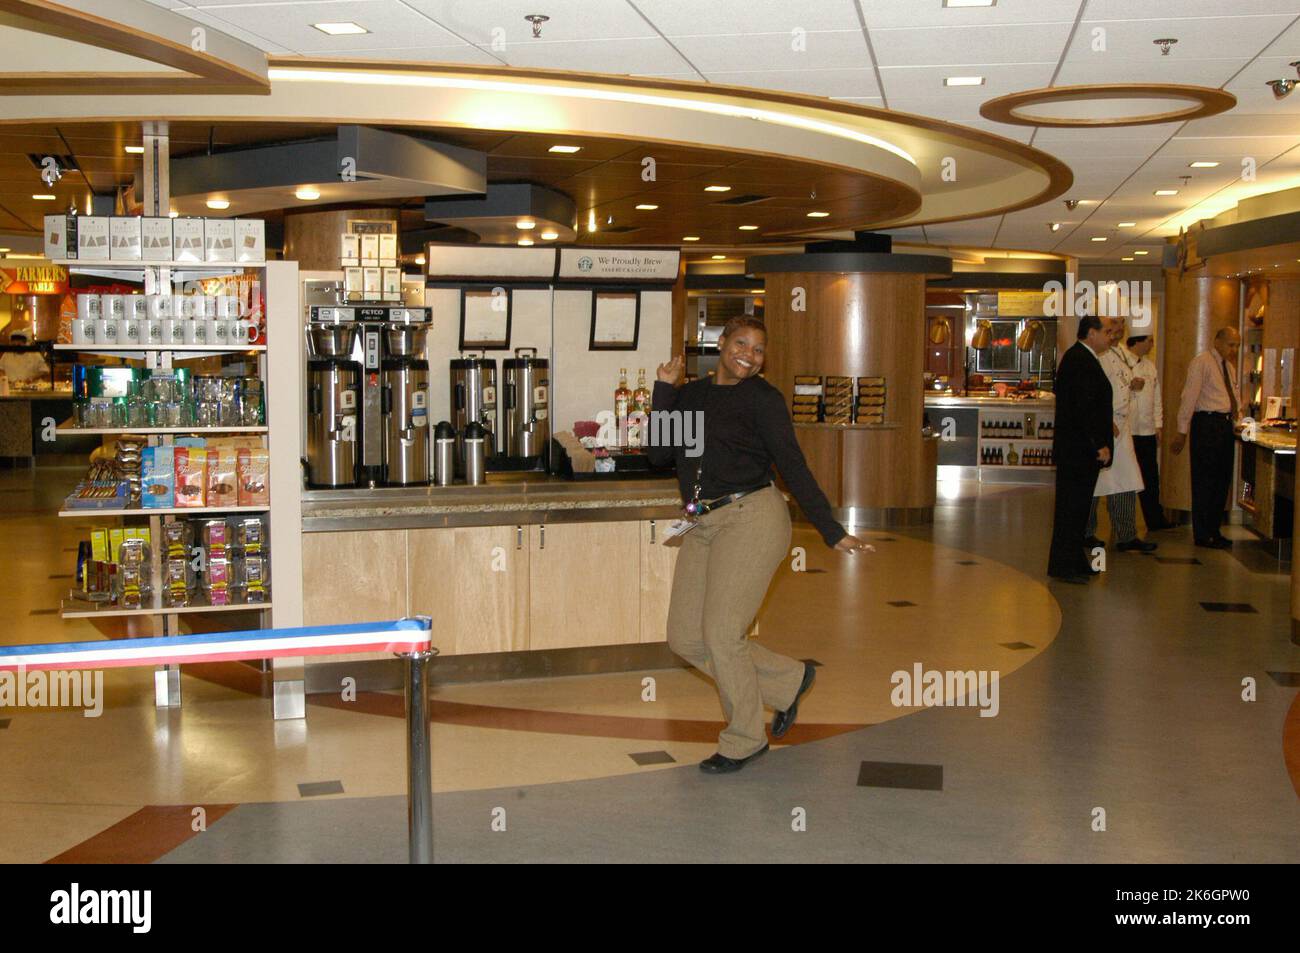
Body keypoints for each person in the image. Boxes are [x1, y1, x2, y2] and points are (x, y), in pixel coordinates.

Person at [647, 316, 872, 774]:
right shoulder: (692, 395)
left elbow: (793, 464)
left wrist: (831, 529)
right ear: (721, 343)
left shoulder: (763, 400)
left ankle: (745, 739)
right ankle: (789, 681)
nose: (749, 354)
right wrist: (664, 391)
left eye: (759, 349)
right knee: (687, 638)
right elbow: (657, 454)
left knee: (724, 635)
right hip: (702, 522)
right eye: (741, 343)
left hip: (753, 517)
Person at [1047, 315, 1114, 583]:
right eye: (1107, 331)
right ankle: (1064, 565)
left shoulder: (1081, 358)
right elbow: (1083, 410)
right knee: (1071, 509)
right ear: (1091, 333)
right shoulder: (1079, 360)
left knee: (1078, 509)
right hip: (1078, 450)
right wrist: (1099, 444)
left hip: (1076, 449)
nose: (1111, 337)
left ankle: (1074, 560)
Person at [1086, 318, 1155, 554]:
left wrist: (1132, 387)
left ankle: (1127, 534)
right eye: (1112, 329)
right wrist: (1105, 422)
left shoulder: (1119, 353)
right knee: (1095, 484)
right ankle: (1086, 532)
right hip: (1107, 426)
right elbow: (1095, 395)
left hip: (1121, 427)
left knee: (1127, 480)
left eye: (1119, 329)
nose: (1116, 334)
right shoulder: (1095, 356)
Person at [1171, 327, 1242, 548]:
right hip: (1206, 424)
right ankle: (1202, 533)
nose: (1234, 350)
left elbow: (1234, 396)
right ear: (1217, 341)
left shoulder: (1228, 367)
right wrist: (1182, 430)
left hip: (1224, 425)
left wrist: (1238, 421)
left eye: (1237, 346)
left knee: (1222, 480)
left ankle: (1214, 529)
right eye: (1231, 345)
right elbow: (1189, 396)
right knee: (1205, 479)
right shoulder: (1201, 362)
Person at [1121, 334, 1172, 530]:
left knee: (1150, 477)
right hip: (1128, 430)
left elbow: (1156, 398)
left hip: (1147, 431)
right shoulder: (1122, 363)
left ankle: (1155, 520)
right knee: (1127, 478)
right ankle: (1126, 525)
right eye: (1149, 340)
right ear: (1137, 341)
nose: (1152, 344)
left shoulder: (1150, 367)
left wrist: (1158, 424)